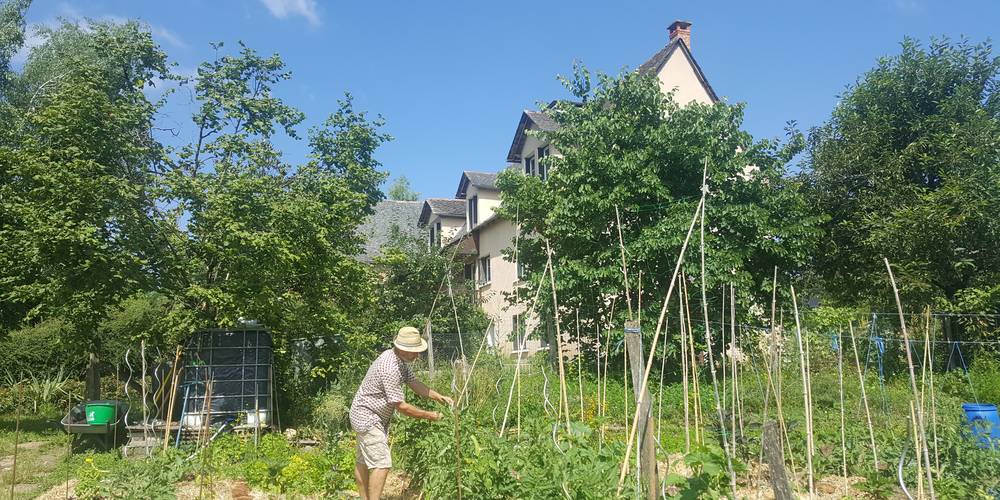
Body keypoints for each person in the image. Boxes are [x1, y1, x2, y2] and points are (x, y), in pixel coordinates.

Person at [349, 326, 454, 500]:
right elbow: (401, 406)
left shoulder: (398, 360)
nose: (417, 355)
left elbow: (414, 383)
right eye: (415, 351)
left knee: (363, 461)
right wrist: (431, 416)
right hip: (367, 416)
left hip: (363, 413)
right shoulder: (390, 367)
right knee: (382, 463)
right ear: (404, 349)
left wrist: (439, 397)